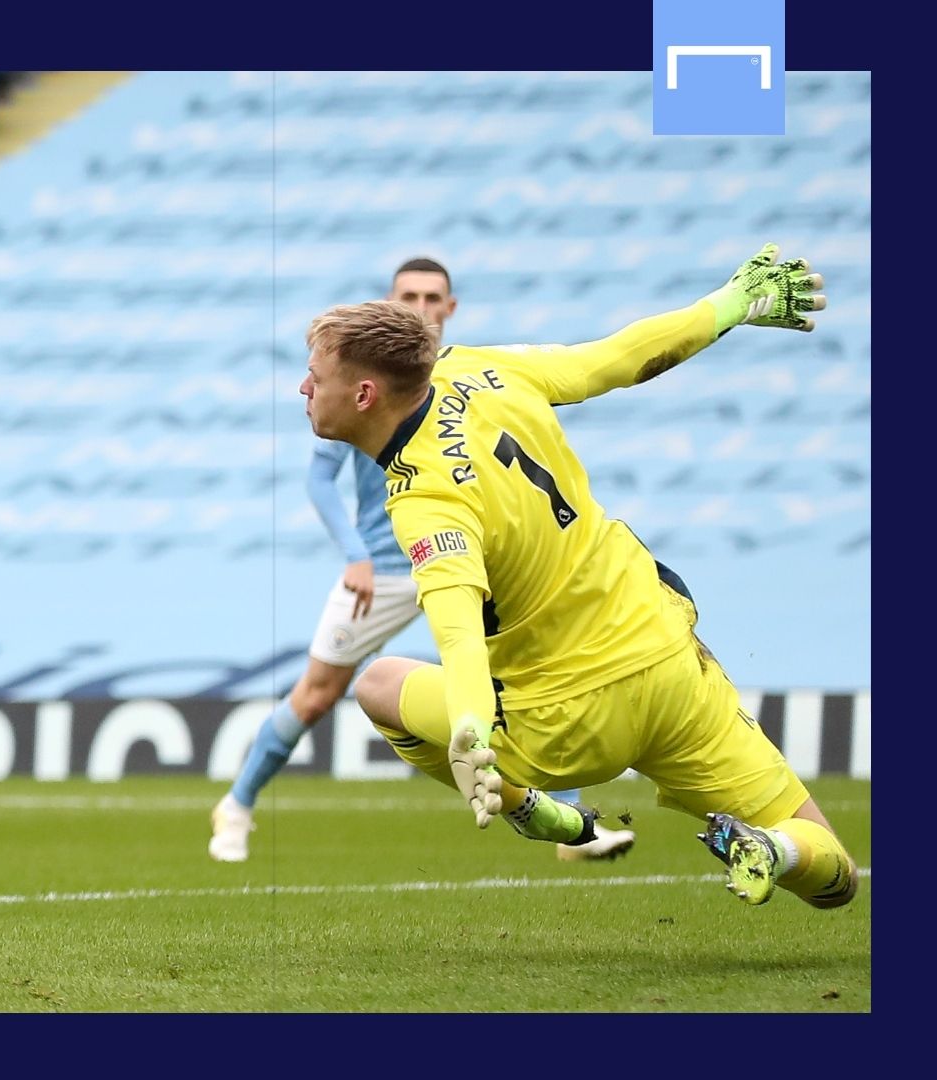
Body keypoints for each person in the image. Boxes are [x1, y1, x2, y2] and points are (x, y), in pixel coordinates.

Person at [301, 243, 854, 908]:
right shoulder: (482, 370)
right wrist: (730, 304)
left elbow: (459, 638)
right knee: (834, 879)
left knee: (380, 684)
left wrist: (473, 736)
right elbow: (617, 359)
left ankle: (536, 811)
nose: (304, 388)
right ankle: (778, 850)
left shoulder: (425, 501)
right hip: (669, 662)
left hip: (566, 724)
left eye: (315, 376)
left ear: (364, 395)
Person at [210, 259, 633, 863]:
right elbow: (321, 481)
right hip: (384, 567)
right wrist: (354, 554)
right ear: (391, 299)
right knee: (317, 693)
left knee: (525, 672)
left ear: (450, 308)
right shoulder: (364, 384)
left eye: (432, 296)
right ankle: (238, 803)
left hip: (464, 563)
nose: (420, 305)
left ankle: (576, 826)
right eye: (408, 294)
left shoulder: (466, 376)